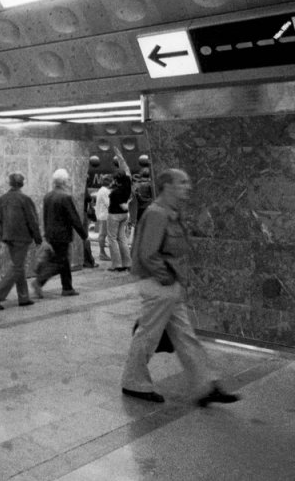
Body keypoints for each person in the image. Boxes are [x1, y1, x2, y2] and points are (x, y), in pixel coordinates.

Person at [120, 168, 240, 407]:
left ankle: (206, 385)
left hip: (169, 284)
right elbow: (147, 253)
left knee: (185, 337)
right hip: (158, 284)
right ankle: (133, 382)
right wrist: (164, 277)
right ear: (167, 186)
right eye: (182, 182)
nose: (188, 186)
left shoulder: (171, 212)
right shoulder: (157, 213)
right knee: (148, 335)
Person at [0, 172, 42, 310]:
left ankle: (23, 297)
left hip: (8, 236)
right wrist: (38, 238)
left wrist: (5, 232)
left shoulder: (2, 199)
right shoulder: (25, 199)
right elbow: (32, 220)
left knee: (19, 266)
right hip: (21, 237)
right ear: (22, 184)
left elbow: (0, 218)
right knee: (17, 267)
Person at [33, 168, 88, 299]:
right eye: (68, 180)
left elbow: (45, 216)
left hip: (51, 234)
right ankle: (39, 281)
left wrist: (46, 234)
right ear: (63, 182)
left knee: (64, 261)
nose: (68, 182)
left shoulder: (48, 196)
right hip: (62, 236)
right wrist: (84, 236)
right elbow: (74, 218)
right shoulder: (65, 197)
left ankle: (67, 288)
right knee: (60, 262)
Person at [107, 170, 133, 272]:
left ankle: (116, 264)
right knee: (122, 238)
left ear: (117, 180)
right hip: (124, 216)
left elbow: (123, 206)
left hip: (114, 215)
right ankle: (127, 263)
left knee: (112, 239)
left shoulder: (116, 192)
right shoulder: (127, 188)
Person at [94, 175, 112, 262]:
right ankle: (102, 253)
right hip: (105, 215)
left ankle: (102, 252)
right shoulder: (105, 191)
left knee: (102, 234)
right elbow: (108, 203)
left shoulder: (101, 190)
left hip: (101, 215)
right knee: (103, 234)